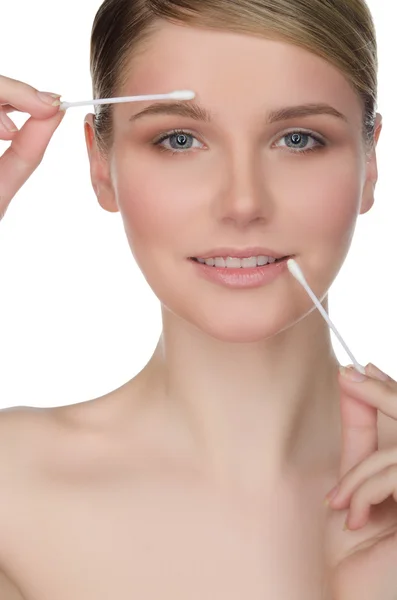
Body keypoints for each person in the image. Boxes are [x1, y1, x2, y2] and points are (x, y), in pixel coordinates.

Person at [0, 0, 391, 598]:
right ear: (100, 165)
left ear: (370, 164)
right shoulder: (14, 496)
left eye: (298, 138)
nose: (242, 203)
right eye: (180, 139)